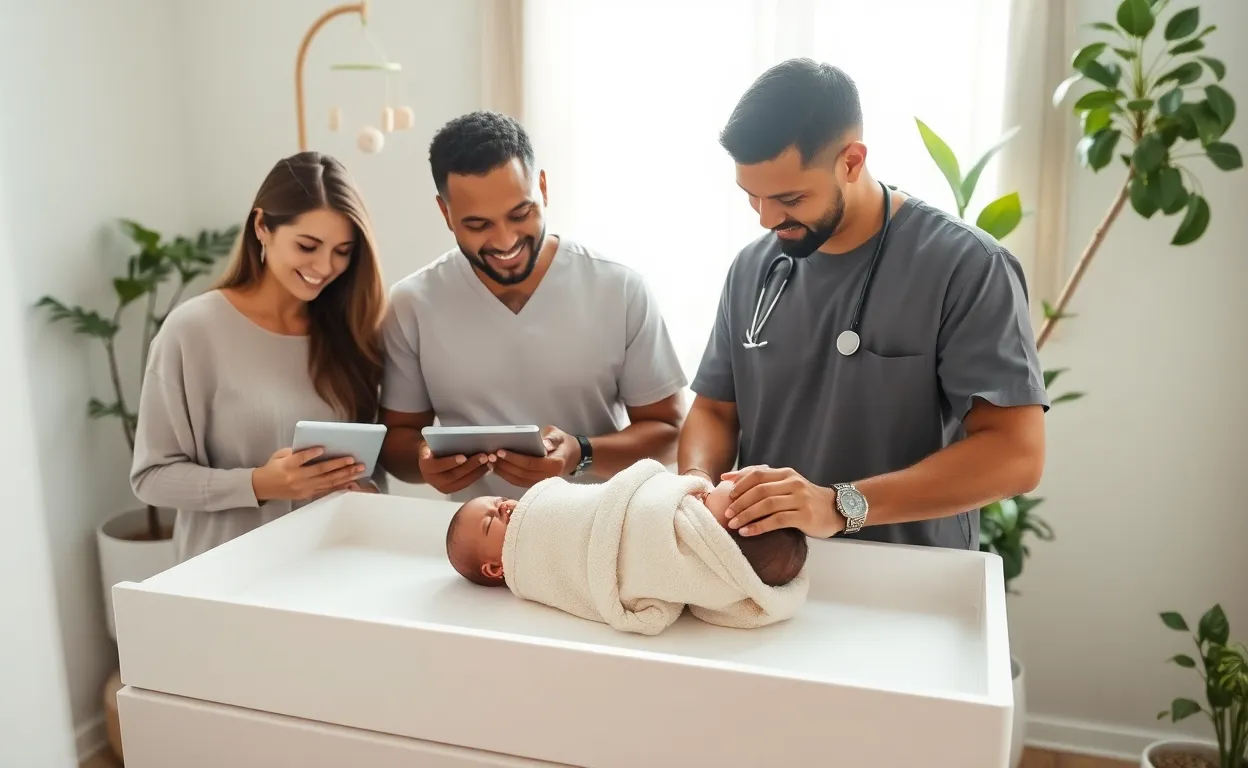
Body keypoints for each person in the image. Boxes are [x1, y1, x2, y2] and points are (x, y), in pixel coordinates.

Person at [678, 58, 1048, 551]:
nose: (766, 218)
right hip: (765, 572)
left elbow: (1016, 456)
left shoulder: (967, 266)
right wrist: (698, 486)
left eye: (789, 198)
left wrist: (838, 505)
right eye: (752, 196)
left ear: (851, 161)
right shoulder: (753, 268)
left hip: (910, 583)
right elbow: (715, 411)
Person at [379, 110, 688, 502]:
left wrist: (581, 453)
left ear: (542, 187)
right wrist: (424, 459)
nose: (505, 240)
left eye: (520, 214)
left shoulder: (620, 288)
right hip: (477, 545)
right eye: (478, 225)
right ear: (445, 213)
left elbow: (670, 433)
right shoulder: (412, 303)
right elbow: (397, 442)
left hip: (600, 530)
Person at [130, 151, 389, 561]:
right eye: (308, 245)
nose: (325, 266)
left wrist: (362, 488)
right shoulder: (193, 331)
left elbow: (371, 470)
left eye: (342, 251)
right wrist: (259, 484)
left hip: (332, 572)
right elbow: (151, 478)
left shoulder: (351, 334)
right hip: (226, 579)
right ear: (262, 227)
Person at [444, 459, 809, 636]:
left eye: (499, 499)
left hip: (640, 510)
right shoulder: (531, 555)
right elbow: (583, 541)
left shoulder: (543, 504)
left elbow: (598, 500)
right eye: (491, 521)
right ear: (495, 567)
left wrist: (671, 494)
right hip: (642, 521)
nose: (503, 507)